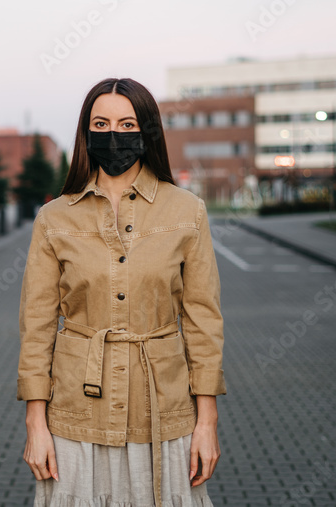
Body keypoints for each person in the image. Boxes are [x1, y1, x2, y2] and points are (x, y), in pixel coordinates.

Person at [17, 78, 226, 507]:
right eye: (102, 123)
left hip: (163, 412)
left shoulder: (187, 211)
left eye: (127, 123)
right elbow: (37, 329)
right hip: (76, 414)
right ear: (86, 132)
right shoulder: (53, 219)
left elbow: (204, 323)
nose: (114, 135)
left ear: (147, 131)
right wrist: (35, 426)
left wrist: (207, 423)